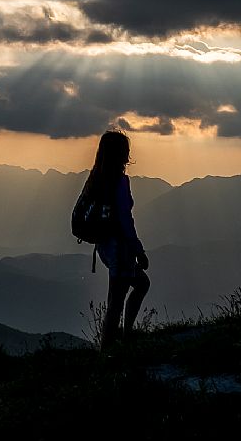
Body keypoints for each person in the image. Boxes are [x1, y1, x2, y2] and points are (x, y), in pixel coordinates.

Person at [83, 129, 150, 350]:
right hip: (120, 248)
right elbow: (125, 219)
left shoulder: (96, 178)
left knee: (140, 284)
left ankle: (125, 336)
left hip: (104, 246)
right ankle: (108, 351)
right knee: (116, 302)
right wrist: (138, 250)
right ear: (121, 153)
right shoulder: (119, 182)